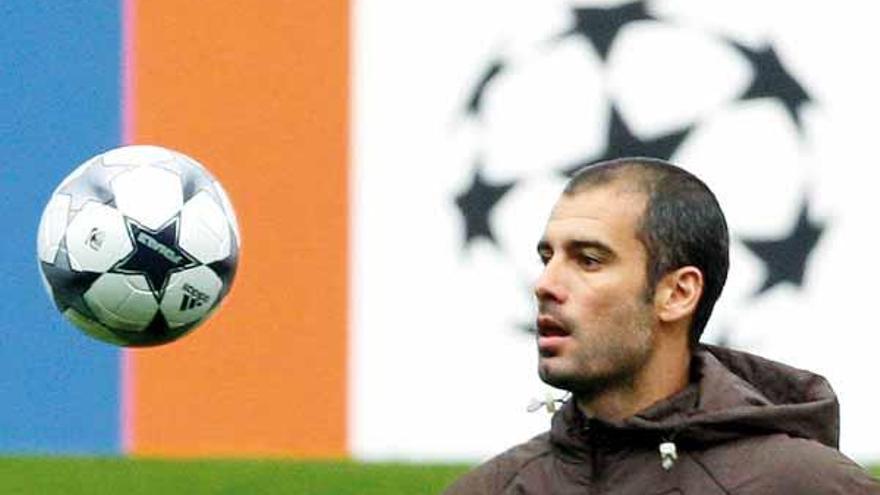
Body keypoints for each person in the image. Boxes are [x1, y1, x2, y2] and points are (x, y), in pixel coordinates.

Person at [444, 157, 880, 494]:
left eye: (589, 260)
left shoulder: (805, 485)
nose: (545, 284)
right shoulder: (491, 488)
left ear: (678, 294)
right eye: (547, 258)